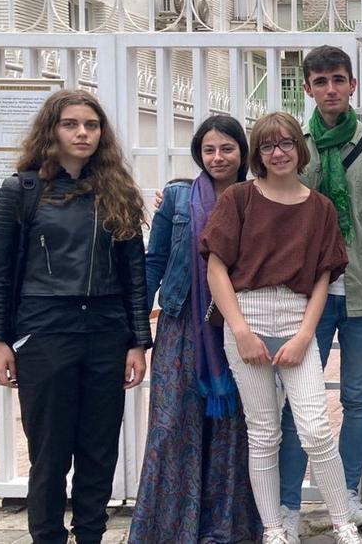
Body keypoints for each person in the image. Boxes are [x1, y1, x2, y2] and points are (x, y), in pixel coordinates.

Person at [0, 89, 151, 544]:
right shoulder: (21, 190)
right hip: (44, 332)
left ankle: (91, 535)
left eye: (91, 125)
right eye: (71, 124)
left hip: (106, 332)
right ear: (51, 130)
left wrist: (138, 341)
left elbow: (135, 275)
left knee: (98, 451)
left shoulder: (118, 191)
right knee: (50, 454)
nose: (82, 133)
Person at [200, 111, 362, 544]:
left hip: (298, 321)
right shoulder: (238, 199)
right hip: (246, 319)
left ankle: (342, 522)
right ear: (258, 153)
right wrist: (240, 331)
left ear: (299, 147)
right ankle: (273, 528)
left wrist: (305, 335)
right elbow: (216, 269)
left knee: (315, 428)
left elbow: (325, 276)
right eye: (268, 145)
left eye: (286, 143)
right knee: (263, 432)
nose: (278, 152)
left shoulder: (320, 207)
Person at [275, 44, 362, 538]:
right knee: (298, 401)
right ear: (307, 88)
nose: (330, 89)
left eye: (338, 79)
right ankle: (285, 505)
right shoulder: (293, 148)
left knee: (359, 397)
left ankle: (344, 493)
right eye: (320, 81)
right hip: (308, 295)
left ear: (352, 84)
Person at [130, 115, 262, 543]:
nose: (218, 157)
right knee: (173, 426)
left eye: (227, 148)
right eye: (209, 149)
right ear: (198, 154)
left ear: (242, 151)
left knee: (231, 429)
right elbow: (155, 260)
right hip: (181, 322)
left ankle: (225, 528)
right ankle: (168, 529)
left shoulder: (257, 196)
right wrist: (134, 328)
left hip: (238, 322)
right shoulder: (177, 197)